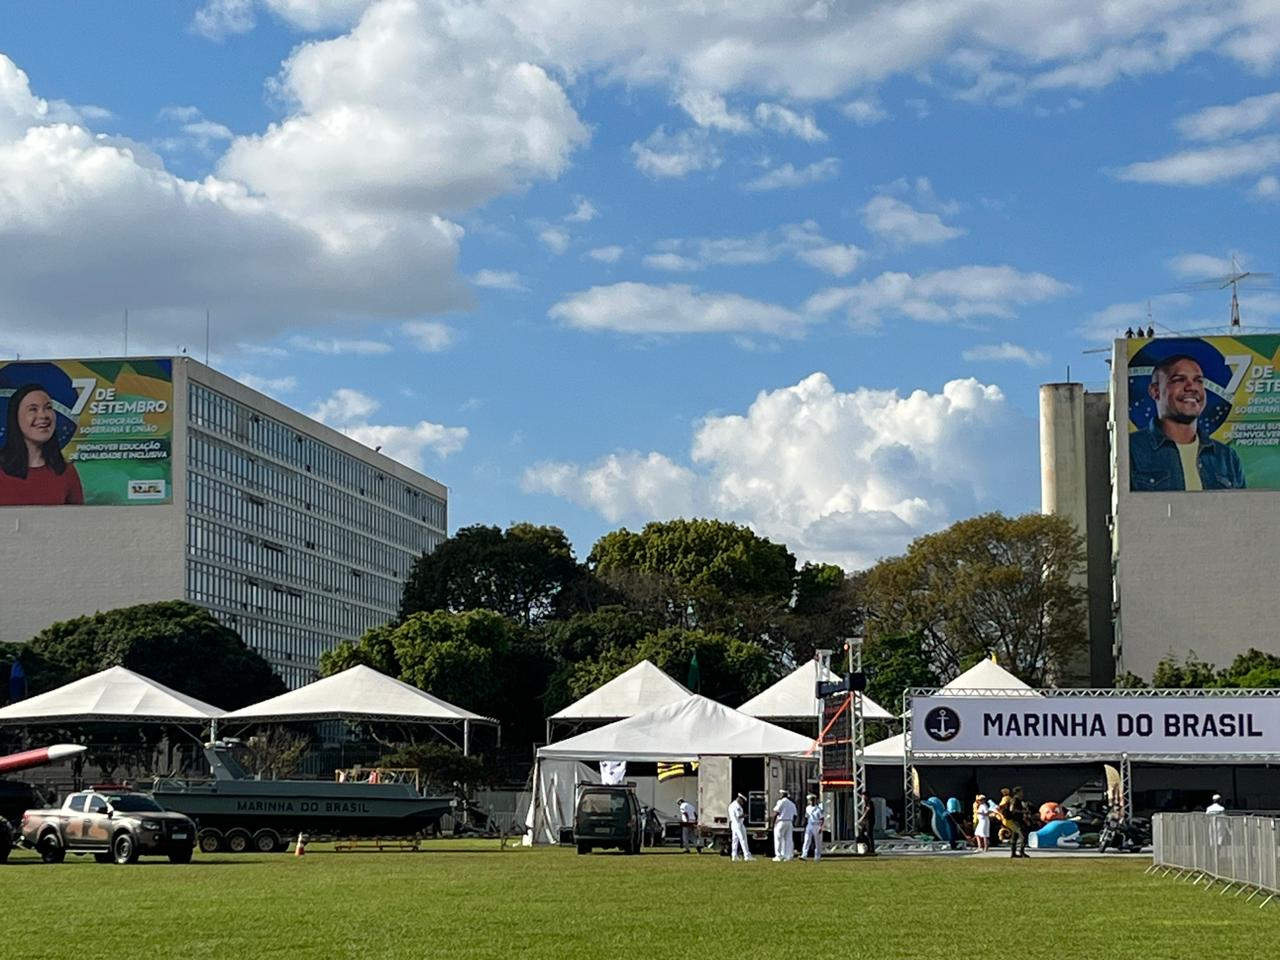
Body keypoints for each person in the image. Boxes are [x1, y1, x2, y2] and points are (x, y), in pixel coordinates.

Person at [1130, 353, 1246, 491]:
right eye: (1179, 380)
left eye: (1199, 381)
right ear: (1155, 391)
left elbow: (1242, 511)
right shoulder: (1131, 450)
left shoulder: (1226, 457)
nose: (1192, 387)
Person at [0, 383, 84, 506]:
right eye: (33, 409)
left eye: (48, 408)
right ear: (15, 417)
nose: (43, 415)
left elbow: (80, 521)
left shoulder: (66, 472)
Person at [999, 786, 1029, 858]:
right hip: (1017, 820)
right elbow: (1012, 809)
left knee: (1015, 836)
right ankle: (1021, 851)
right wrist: (1023, 811)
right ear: (1018, 792)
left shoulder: (1015, 800)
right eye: (1021, 792)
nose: (1022, 793)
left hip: (1016, 820)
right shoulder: (1015, 800)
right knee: (1023, 835)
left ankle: (1013, 853)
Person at [772, 789, 796, 862]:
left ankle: (778, 856)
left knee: (778, 839)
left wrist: (773, 822)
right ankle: (788, 856)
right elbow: (795, 815)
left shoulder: (780, 802)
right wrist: (792, 822)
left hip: (781, 821)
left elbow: (776, 812)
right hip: (789, 822)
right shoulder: (792, 803)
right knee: (788, 839)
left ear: (782, 795)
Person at [728, 792, 752, 861]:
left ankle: (734, 855)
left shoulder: (731, 805)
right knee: (743, 839)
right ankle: (747, 855)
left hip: (735, 824)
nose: (742, 803)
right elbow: (739, 816)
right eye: (742, 801)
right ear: (739, 799)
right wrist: (745, 815)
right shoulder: (736, 806)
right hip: (738, 824)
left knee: (735, 840)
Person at [801, 793, 824, 861]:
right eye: (810, 800)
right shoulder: (807, 808)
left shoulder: (818, 809)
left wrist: (821, 827)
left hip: (816, 825)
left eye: (813, 800)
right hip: (810, 825)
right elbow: (806, 817)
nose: (811, 802)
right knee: (807, 840)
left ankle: (817, 856)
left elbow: (822, 819)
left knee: (817, 842)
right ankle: (804, 855)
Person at [856, 790, 877, 856]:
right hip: (866, 821)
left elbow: (867, 812)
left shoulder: (870, 803)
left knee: (869, 834)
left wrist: (861, 819)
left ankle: (872, 849)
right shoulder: (865, 803)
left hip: (869, 820)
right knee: (861, 834)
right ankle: (868, 846)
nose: (863, 797)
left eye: (864, 796)